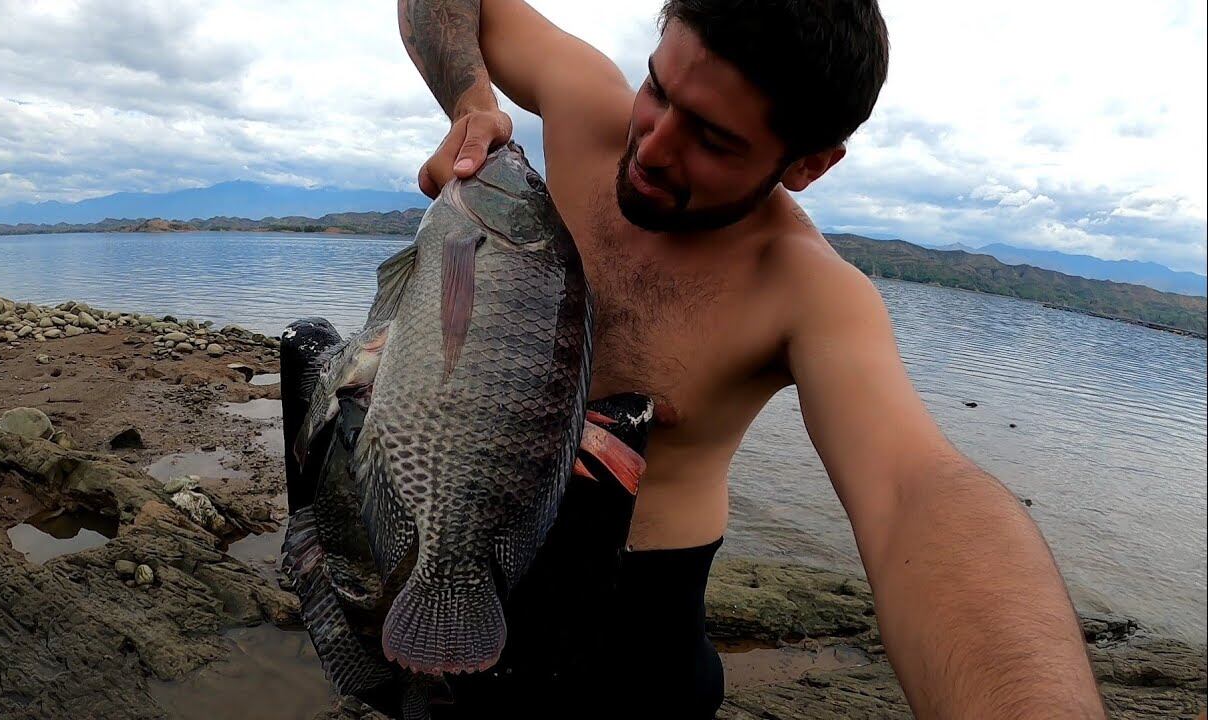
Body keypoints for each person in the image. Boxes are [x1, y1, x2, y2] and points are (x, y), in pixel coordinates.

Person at [395, 0, 1108, 717]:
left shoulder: (810, 291)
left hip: (632, 644)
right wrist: (473, 101)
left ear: (808, 164)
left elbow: (912, 493)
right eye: (657, 89)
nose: (652, 148)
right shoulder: (587, 109)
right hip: (445, 566)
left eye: (713, 139)